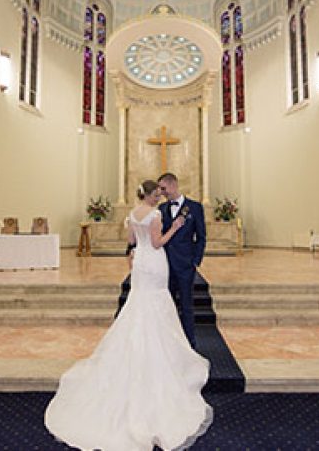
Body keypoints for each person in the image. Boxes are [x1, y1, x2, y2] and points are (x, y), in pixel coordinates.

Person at [45, 180, 213, 451]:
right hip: (155, 263)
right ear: (151, 194)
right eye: (157, 193)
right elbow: (158, 243)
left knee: (139, 306)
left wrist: (139, 250)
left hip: (140, 266)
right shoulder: (157, 215)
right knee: (158, 305)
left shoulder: (131, 215)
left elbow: (132, 242)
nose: (160, 196)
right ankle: (164, 356)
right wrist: (175, 228)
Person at [157, 172, 206, 349]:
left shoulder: (194, 207)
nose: (162, 192)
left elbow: (201, 237)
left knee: (186, 306)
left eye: (164, 188)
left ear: (173, 185)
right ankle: (169, 343)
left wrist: (195, 261)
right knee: (167, 306)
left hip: (186, 265)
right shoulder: (161, 209)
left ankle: (189, 343)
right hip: (164, 265)